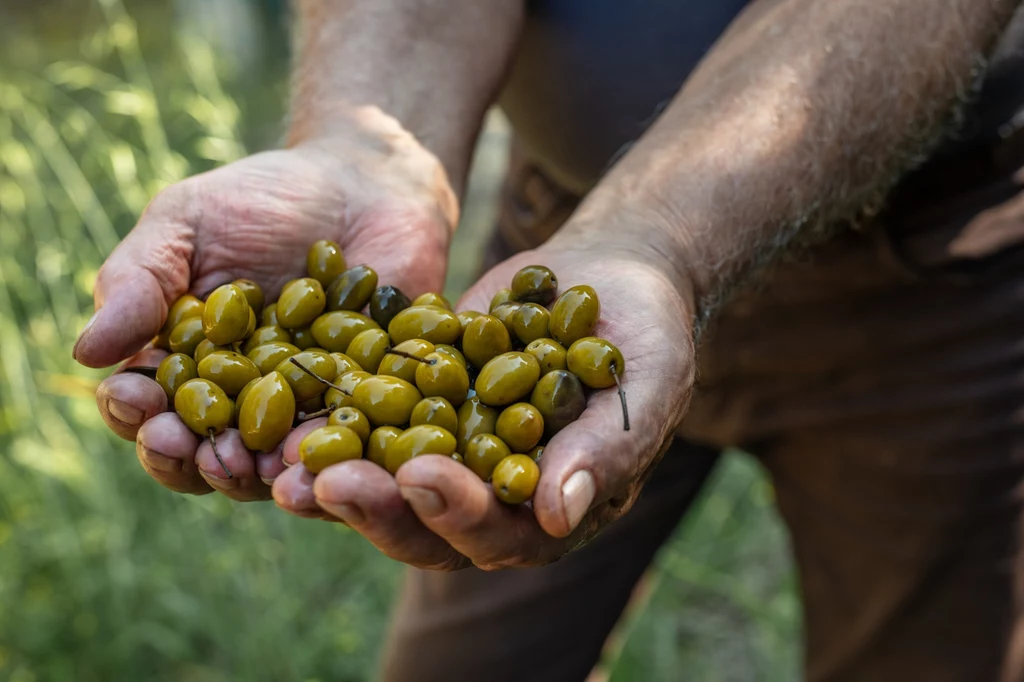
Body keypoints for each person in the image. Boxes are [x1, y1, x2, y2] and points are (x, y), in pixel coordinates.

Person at [72, 0, 1024, 679]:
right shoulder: (490, 347)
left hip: (935, 275)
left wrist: (656, 235)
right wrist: (367, 146)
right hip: (568, 244)